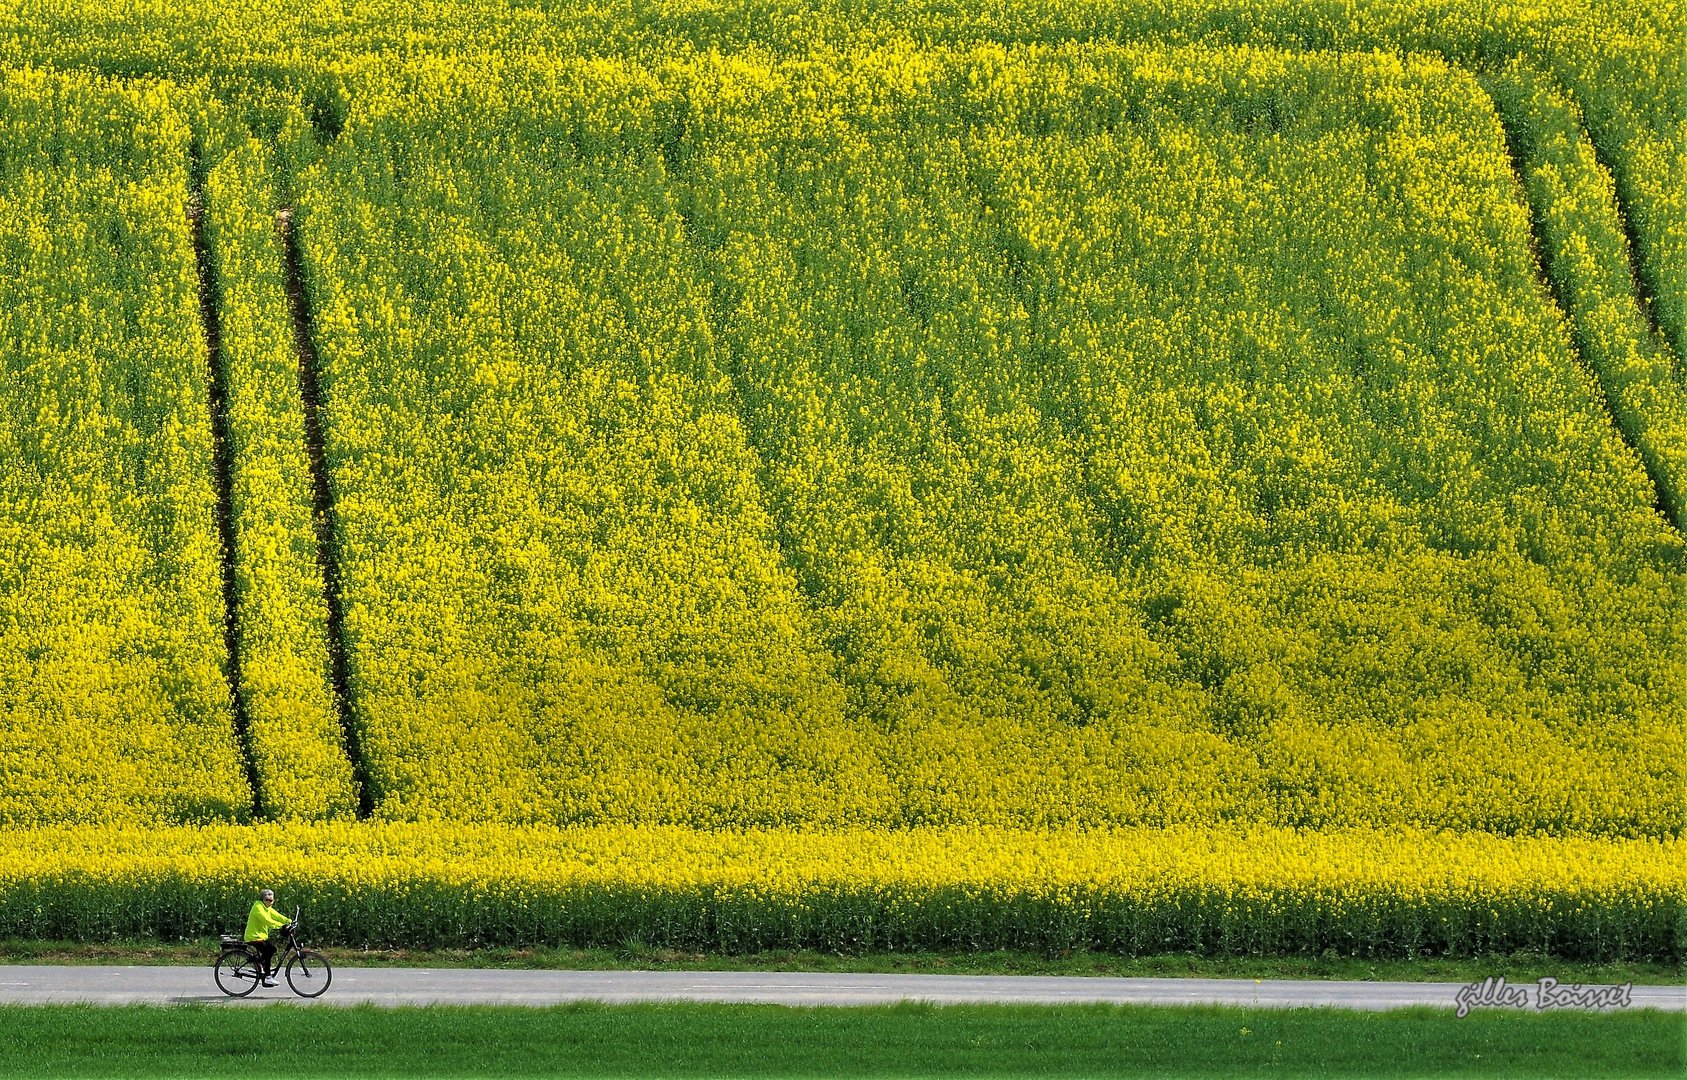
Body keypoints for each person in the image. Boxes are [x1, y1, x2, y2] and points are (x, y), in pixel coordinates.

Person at [244, 888, 291, 988]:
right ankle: (268, 977)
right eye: (268, 900)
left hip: (260, 936)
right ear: (262, 900)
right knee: (268, 951)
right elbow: (267, 921)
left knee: (272, 949)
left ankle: (259, 962)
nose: (270, 902)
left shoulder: (266, 907)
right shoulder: (258, 908)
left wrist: (289, 921)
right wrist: (281, 926)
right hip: (254, 937)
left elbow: (277, 916)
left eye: (272, 900)